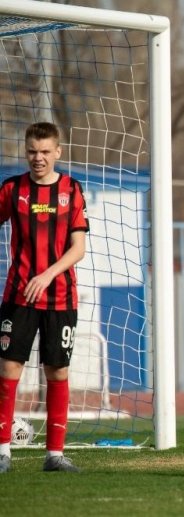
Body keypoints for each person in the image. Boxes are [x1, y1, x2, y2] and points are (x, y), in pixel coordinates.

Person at [0, 122, 89, 473]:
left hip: (61, 298)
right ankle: (3, 452)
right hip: (18, 296)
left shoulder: (72, 190)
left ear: (58, 152)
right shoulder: (12, 189)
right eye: (32, 152)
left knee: (58, 371)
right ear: (26, 151)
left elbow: (78, 248)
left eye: (45, 151)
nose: (38, 158)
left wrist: (48, 273)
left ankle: (54, 455)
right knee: (8, 368)